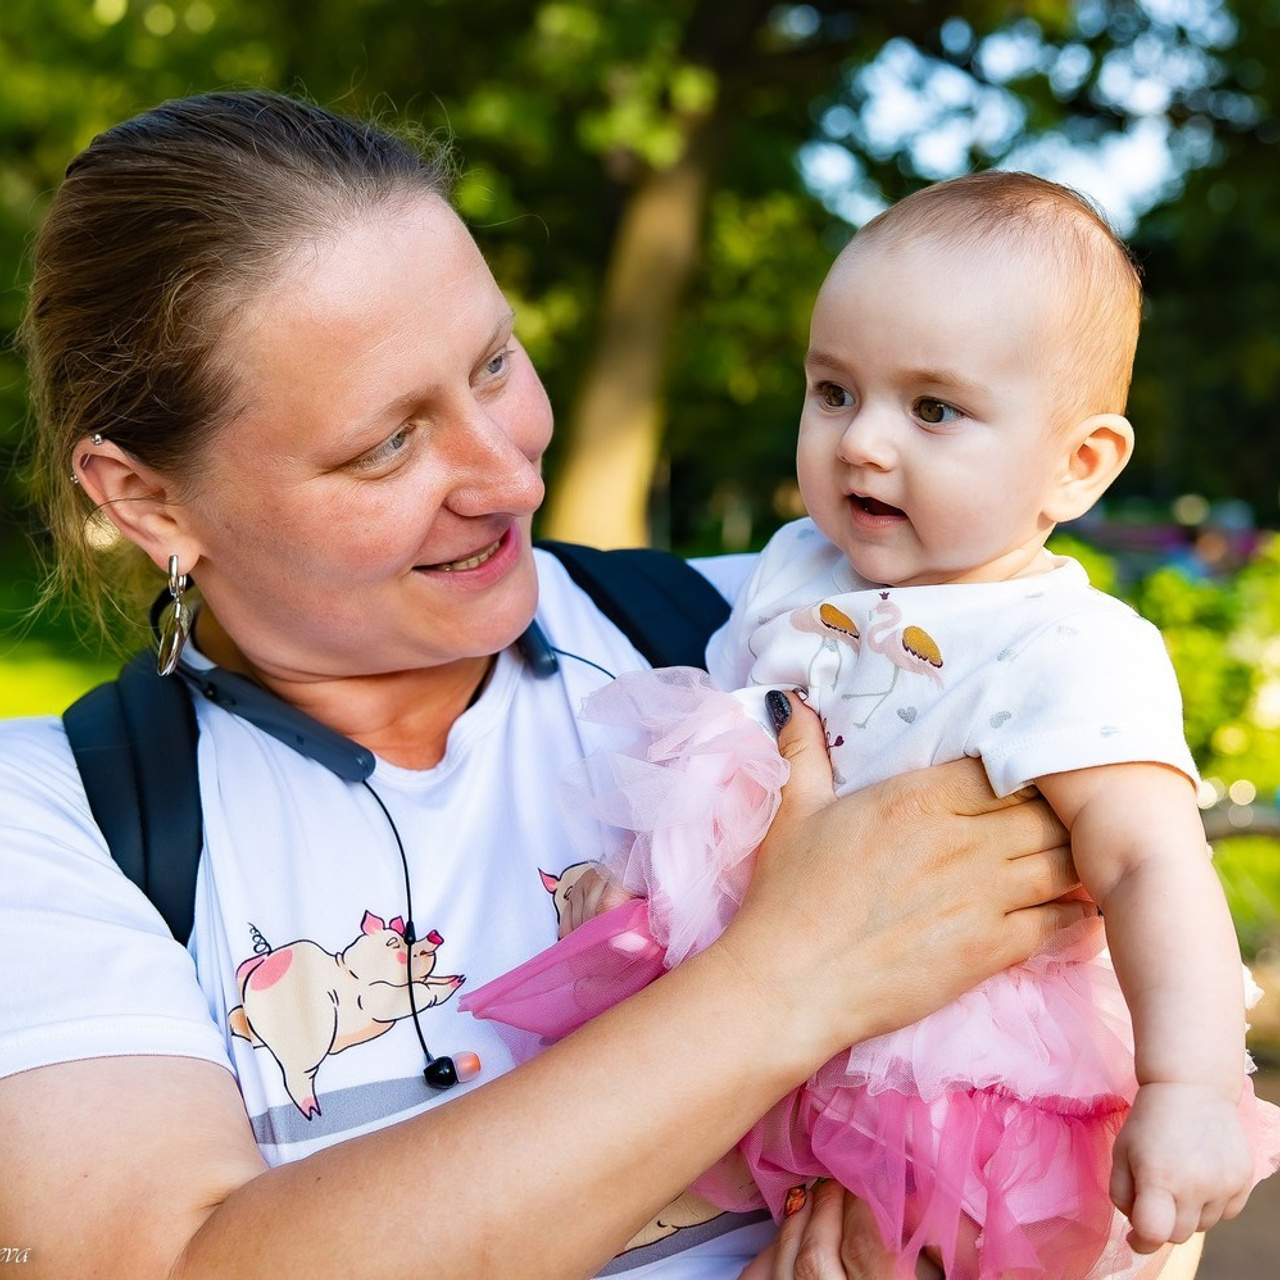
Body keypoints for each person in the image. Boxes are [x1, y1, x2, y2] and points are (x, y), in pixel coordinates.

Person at [0, 91, 1098, 1279]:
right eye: (386, 442)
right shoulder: (55, 825)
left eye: (493, 364)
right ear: (146, 499)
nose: (504, 473)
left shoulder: (798, 636)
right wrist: (790, 976)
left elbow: (1116, 1089)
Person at [463, 173, 1280, 1277]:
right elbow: (714, 747)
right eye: (834, 391)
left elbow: (1147, 863)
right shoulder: (789, 571)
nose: (861, 443)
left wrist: (1187, 1087)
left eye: (931, 409)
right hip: (770, 1023)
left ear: (1076, 465)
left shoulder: (1066, 645)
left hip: (963, 1069)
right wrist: (647, 882)